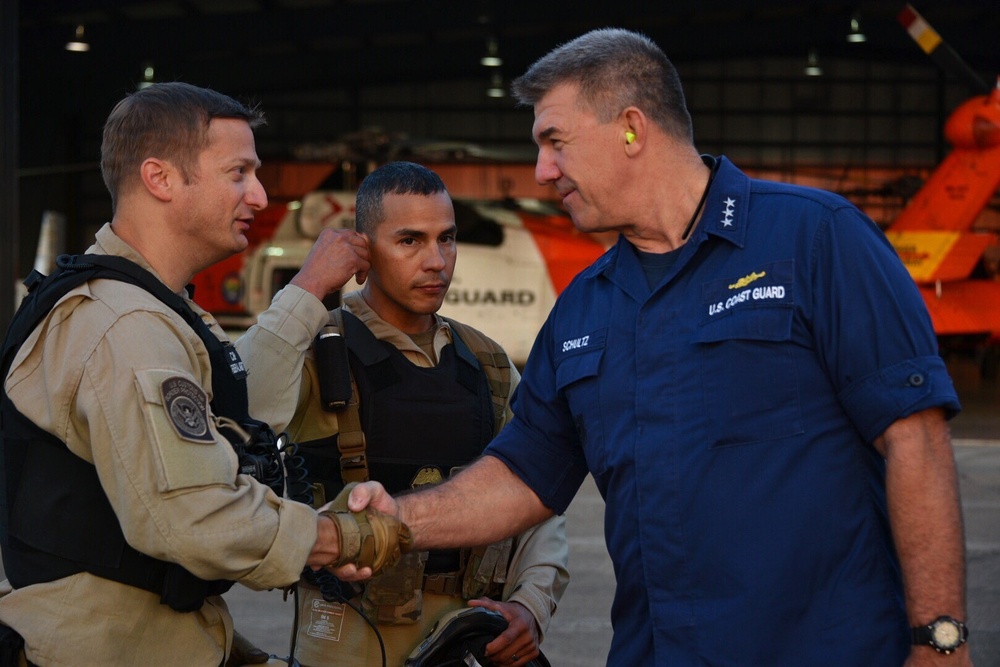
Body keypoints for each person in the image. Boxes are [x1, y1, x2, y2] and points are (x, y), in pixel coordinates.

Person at [334, 29, 973, 667]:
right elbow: (523, 475)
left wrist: (939, 641)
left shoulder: (817, 240)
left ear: (632, 129)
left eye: (555, 142)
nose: (541, 171)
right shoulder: (585, 306)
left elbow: (914, 439)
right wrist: (393, 520)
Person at [0, 82, 388, 666]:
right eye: (238, 172)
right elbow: (196, 515)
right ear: (160, 179)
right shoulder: (125, 324)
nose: (258, 195)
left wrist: (308, 290)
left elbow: (230, 413)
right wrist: (335, 537)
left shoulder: (155, 308)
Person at [235, 160, 568, 667]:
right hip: (345, 643)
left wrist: (530, 606)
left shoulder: (489, 364)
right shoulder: (315, 351)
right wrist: (307, 288)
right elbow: (240, 408)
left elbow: (536, 496)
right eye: (410, 241)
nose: (436, 261)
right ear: (363, 252)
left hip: (463, 641)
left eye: (447, 239)